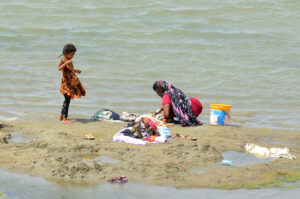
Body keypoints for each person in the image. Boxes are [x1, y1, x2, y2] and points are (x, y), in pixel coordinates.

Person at [58, 44, 85, 123]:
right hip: (66, 84)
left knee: (66, 99)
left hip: (69, 83)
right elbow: (59, 68)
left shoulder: (69, 60)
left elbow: (70, 70)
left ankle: (62, 115)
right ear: (66, 53)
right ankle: (65, 119)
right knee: (67, 100)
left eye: (73, 55)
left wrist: (76, 71)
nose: (73, 56)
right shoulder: (64, 60)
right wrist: (66, 63)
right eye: (71, 54)